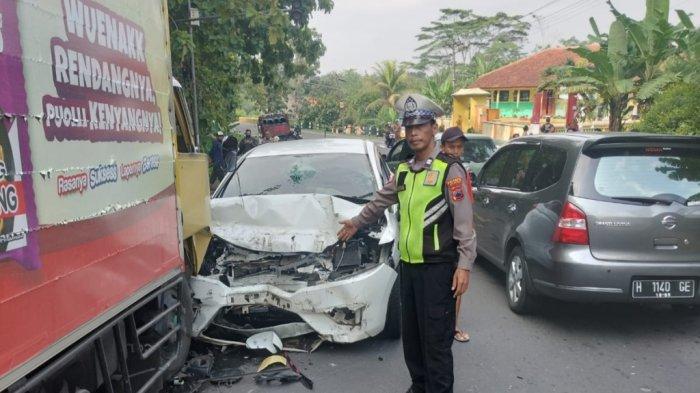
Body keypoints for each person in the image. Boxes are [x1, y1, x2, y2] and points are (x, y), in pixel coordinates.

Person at [338, 94, 476, 393]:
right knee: (412, 340)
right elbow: (379, 202)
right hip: (409, 269)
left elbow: (465, 224)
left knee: (436, 341)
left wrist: (464, 265)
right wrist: (356, 222)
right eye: (408, 126)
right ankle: (419, 386)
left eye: (420, 126)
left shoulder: (449, 170)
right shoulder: (403, 170)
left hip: (438, 270)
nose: (413, 132)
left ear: (433, 128)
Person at [439, 127, 474, 345]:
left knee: (454, 286)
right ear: (442, 147)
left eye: (459, 147)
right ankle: (452, 327)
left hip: (453, 232)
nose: (455, 151)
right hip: (453, 236)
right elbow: (458, 206)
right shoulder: (451, 169)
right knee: (456, 285)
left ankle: (450, 325)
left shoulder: (451, 166)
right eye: (451, 146)